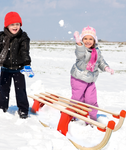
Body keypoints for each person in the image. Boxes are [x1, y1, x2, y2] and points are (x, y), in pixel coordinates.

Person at [70, 26, 114, 123]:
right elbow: (79, 53)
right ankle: (71, 115)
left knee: (91, 100)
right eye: (85, 38)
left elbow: (101, 62)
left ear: (94, 40)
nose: (88, 41)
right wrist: (78, 42)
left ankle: (91, 119)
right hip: (78, 78)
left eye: (90, 39)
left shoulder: (97, 51)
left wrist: (106, 68)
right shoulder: (82, 50)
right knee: (78, 99)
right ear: (82, 39)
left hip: (90, 79)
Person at [0, 11, 34, 119]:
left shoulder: (22, 37)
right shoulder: (1, 37)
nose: (15, 27)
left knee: (21, 91)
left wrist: (27, 64)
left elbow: (25, 51)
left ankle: (23, 110)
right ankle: (2, 108)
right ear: (7, 25)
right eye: (12, 24)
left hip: (18, 69)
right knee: (2, 90)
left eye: (17, 24)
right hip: (5, 68)